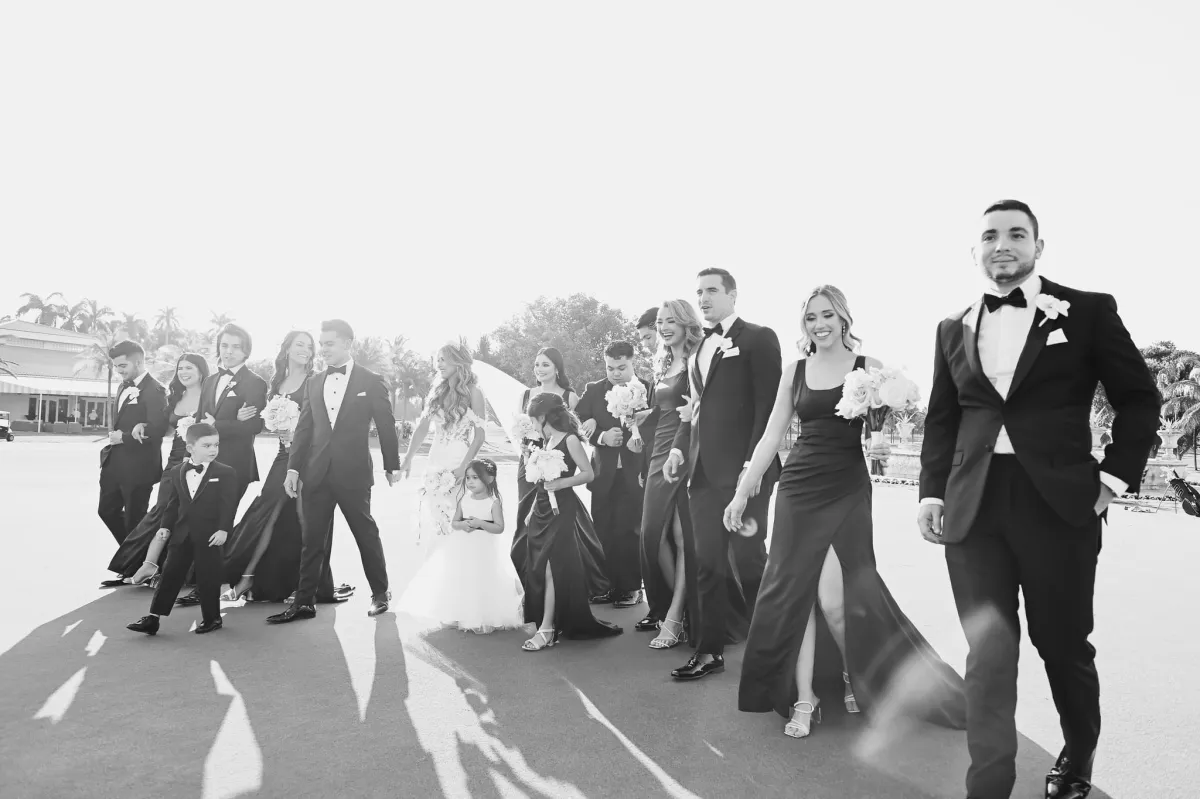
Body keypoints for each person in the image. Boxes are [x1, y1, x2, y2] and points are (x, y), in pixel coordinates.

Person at [917, 200, 1161, 799]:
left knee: (1062, 644)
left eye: (1016, 235)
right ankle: (989, 782)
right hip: (972, 508)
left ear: (1038, 246)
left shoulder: (1089, 311)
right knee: (989, 651)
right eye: (991, 236)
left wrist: (1113, 480)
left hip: (1060, 504)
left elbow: (1139, 398)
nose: (1003, 244)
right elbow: (942, 418)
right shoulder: (952, 327)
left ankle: (1078, 756)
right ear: (974, 250)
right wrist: (929, 491)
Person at [727, 285, 966, 741]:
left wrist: (887, 413)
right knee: (794, 594)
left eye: (827, 315)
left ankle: (856, 676)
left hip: (847, 487)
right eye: (811, 317)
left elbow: (892, 422)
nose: (819, 324)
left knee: (836, 602)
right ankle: (804, 697)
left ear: (843, 319)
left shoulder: (868, 369)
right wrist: (743, 491)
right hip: (798, 487)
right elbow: (771, 435)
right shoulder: (794, 370)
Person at [664, 268, 781, 682]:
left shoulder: (758, 338)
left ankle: (781, 648)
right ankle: (710, 651)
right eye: (699, 292)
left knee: (751, 563)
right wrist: (679, 447)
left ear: (733, 294)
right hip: (703, 477)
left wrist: (751, 473)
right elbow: (692, 410)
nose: (704, 298)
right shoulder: (700, 350)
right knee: (707, 565)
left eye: (712, 290)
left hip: (747, 475)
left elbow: (768, 411)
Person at [267, 319, 402, 623]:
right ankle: (304, 603)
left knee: (365, 534)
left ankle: (380, 594)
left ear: (347, 344)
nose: (322, 349)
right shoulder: (314, 383)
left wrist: (390, 464)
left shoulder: (371, 380)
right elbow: (304, 429)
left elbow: (385, 424)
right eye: (321, 343)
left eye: (328, 343)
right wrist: (293, 469)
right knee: (311, 539)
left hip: (353, 473)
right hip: (316, 474)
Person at [221, 331, 351, 603]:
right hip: (284, 457)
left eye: (309, 345)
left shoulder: (317, 380)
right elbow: (267, 421)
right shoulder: (277, 382)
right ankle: (247, 577)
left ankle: (308, 586)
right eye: (299, 344)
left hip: (311, 458)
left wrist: (298, 436)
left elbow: (328, 423)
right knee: (268, 512)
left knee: (307, 521)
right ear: (287, 350)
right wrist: (278, 427)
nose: (305, 349)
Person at [511, 392, 621, 650]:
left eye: (533, 420)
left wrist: (562, 482)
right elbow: (538, 479)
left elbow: (588, 473)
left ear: (542, 416)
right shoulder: (545, 441)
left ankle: (547, 629)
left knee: (550, 565)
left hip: (562, 509)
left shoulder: (570, 440)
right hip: (541, 507)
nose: (533, 425)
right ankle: (547, 619)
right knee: (539, 564)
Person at [102, 352, 211, 587]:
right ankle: (143, 565)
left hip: (198, 462)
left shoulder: (210, 397)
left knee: (183, 516)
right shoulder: (176, 397)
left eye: (189, 368)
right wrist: (143, 425)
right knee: (161, 511)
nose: (183, 372)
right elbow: (166, 429)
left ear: (201, 371)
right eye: (180, 368)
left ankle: (174, 570)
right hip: (174, 460)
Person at [126, 423, 238, 636]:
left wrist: (224, 529)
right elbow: (173, 503)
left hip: (210, 535)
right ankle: (153, 618)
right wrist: (165, 527)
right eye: (206, 445)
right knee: (169, 574)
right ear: (190, 447)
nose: (213, 449)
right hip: (182, 533)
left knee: (208, 576)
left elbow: (228, 505)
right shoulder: (178, 471)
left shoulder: (226, 473)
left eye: (216, 445)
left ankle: (212, 618)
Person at [638, 300, 702, 649]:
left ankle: (675, 617)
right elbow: (662, 411)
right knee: (652, 536)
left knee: (681, 536)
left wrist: (679, 450)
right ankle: (679, 607)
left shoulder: (697, 361)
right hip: (656, 452)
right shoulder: (662, 362)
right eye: (660, 322)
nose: (663, 327)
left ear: (685, 323)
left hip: (682, 452)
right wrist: (639, 420)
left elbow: (690, 413)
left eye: (670, 321)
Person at [398, 458, 525, 633]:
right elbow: (455, 522)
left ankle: (483, 615)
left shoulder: (493, 502)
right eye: (468, 478)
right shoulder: (463, 498)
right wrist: (463, 525)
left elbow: (499, 527)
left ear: (489, 479)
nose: (470, 481)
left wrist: (480, 523)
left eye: (475, 478)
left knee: (481, 578)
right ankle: (457, 614)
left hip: (484, 547)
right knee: (461, 577)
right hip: (462, 546)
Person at [574, 341, 652, 608]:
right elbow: (576, 422)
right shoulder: (594, 390)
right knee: (603, 529)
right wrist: (600, 435)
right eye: (610, 368)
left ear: (633, 362)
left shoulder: (648, 389)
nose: (615, 373)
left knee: (629, 531)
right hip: (603, 474)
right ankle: (604, 586)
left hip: (636, 472)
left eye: (621, 367)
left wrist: (640, 440)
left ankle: (631, 587)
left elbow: (658, 428)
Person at [401, 343, 488, 542]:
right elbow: (422, 427)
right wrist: (408, 458)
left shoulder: (474, 392)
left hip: (460, 459)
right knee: (437, 516)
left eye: (444, 359)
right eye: (437, 359)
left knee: (458, 514)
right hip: (436, 458)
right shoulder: (437, 392)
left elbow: (480, 436)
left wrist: (463, 468)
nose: (438, 364)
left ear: (458, 361)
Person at [97, 340, 169, 545]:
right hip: (114, 464)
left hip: (140, 467)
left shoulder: (156, 390)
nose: (118, 371)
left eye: (122, 366)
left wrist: (124, 437)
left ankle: (134, 566)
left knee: (134, 519)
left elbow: (158, 429)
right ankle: (133, 554)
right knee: (106, 511)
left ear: (138, 363)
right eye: (116, 366)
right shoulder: (122, 385)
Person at [197, 322, 268, 502]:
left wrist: (216, 425)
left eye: (236, 347)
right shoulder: (209, 381)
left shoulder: (255, 382)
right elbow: (200, 421)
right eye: (224, 345)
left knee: (221, 524)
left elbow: (254, 425)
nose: (229, 351)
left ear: (246, 351)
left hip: (234, 465)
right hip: (203, 464)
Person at [516, 347, 579, 503]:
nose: (539, 369)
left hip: (555, 462)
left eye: (545, 365)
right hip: (529, 461)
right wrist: (521, 445)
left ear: (557, 368)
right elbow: (519, 428)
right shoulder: (525, 395)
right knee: (526, 508)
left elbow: (573, 433)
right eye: (537, 365)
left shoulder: (569, 397)